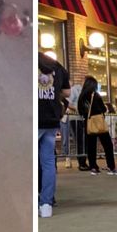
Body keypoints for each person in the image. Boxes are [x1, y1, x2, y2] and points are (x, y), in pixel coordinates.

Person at [37, 54, 71, 218]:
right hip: (51, 120)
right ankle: (46, 205)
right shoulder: (56, 66)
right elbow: (67, 92)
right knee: (48, 162)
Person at [76, 76, 117, 175]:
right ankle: (111, 167)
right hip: (99, 122)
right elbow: (103, 109)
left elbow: (80, 110)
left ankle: (93, 167)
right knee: (108, 145)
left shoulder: (81, 96)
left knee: (91, 146)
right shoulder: (95, 95)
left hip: (88, 123)